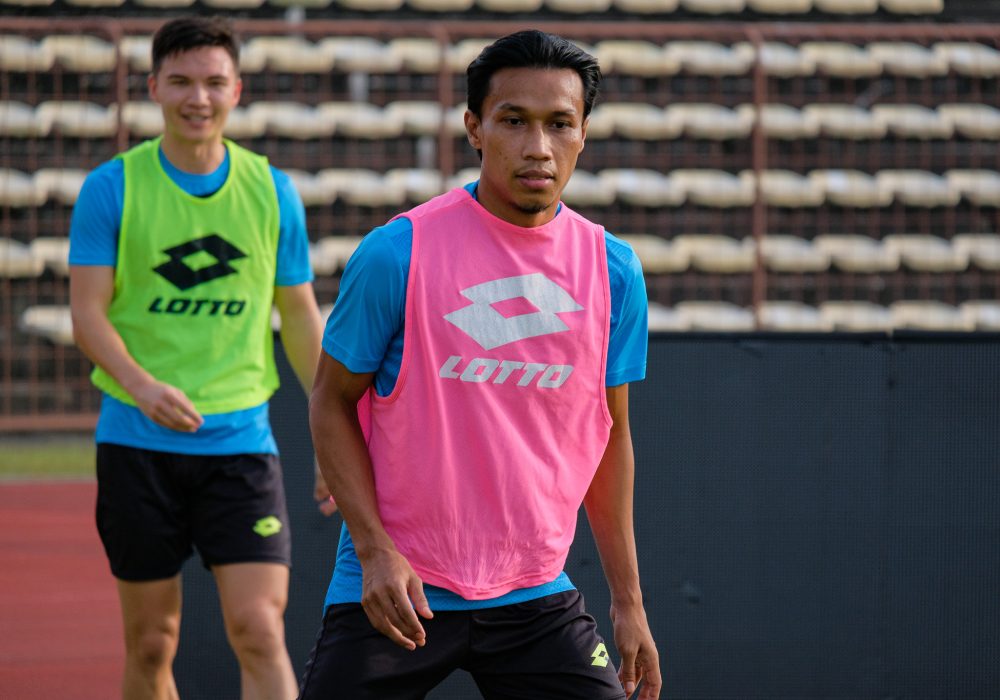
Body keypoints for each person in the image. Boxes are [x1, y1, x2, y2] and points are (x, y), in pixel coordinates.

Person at [302, 29, 661, 700]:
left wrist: (629, 602)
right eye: (514, 121)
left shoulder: (614, 272)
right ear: (475, 128)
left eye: (560, 124)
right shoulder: (396, 253)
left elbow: (609, 438)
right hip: (399, 586)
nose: (538, 147)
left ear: (583, 134)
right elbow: (330, 399)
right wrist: (375, 551)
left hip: (535, 593)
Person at [68, 16, 325, 700]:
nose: (198, 98)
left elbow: (300, 315)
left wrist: (332, 429)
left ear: (236, 90)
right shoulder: (112, 187)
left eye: (214, 82)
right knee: (153, 642)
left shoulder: (272, 191)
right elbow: (87, 314)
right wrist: (142, 386)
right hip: (136, 443)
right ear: (154, 87)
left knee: (259, 630)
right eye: (180, 81)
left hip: (240, 446)